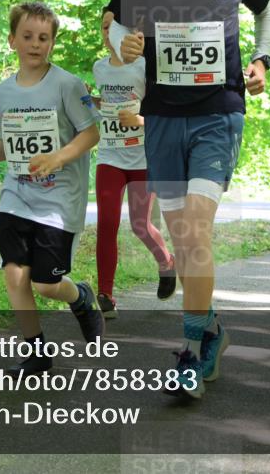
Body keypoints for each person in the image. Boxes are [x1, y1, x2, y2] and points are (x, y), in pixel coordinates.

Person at [104, 0, 270, 399]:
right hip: (161, 117)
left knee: (196, 232)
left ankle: (192, 349)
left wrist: (262, 60)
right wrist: (122, 45)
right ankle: (212, 331)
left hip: (217, 112)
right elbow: (112, 21)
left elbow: (266, 10)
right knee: (183, 241)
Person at [0, 2, 103, 377]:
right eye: (28, 36)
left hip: (58, 202)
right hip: (16, 197)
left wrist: (60, 157)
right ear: (12, 40)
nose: (36, 44)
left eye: (44, 38)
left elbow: (93, 131)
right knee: (14, 275)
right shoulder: (4, 93)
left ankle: (81, 297)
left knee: (47, 285)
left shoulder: (67, 85)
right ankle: (36, 353)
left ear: (52, 43)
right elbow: (7, 146)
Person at [92, 17, 176, 318]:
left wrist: (139, 120)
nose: (108, 32)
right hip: (110, 158)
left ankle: (167, 261)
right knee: (107, 224)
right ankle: (106, 295)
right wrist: (93, 103)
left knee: (140, 225)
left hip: (142, 159)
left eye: (115, 26)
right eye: (103, 27)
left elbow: (166, 114)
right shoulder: (99, 68)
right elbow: (105, 104)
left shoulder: (145, 67)